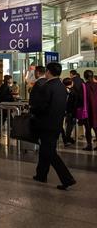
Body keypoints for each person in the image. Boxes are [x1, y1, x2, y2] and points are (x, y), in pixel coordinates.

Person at [31, 62, 76, 190]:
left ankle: (67, 178)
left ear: (48, 72)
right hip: (56, 124)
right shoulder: (61, 86)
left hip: (46, 124)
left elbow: (42, 106)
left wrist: (33, 110)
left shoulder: (47, 87)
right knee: (45, 150)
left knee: (49, 152)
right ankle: (41, 174)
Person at [83, 70, 97, 151]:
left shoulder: (84, 86)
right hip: (96, 110)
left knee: (88, 129)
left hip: (87, 110)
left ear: (85, 77)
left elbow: (81, 98)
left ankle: (89, 145)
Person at [61, 77, 76, 146]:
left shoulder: (62, 91)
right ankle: (67, 138)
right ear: (70, 83)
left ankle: (67, 138)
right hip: (70, 111)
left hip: (64, 110)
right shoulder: (73, 92)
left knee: (67, 125)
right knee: (70, 125)